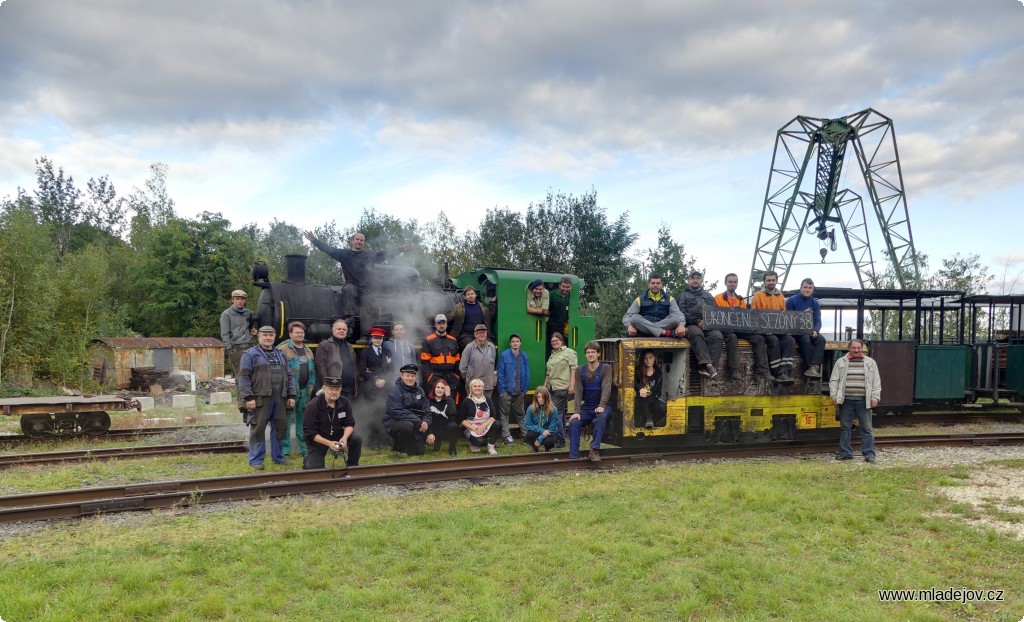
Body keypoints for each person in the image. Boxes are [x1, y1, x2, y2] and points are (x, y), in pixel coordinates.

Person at [303, 230, 410, 338]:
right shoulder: (344, 254)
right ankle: (350, 319)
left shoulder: (369, 255)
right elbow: (329, 250)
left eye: (361, 240)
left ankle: (365, 335)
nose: (359, 242)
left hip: (366, 287)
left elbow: (386, 254)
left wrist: (401, 249)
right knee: (348, 289)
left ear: (364, 243)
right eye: (357, 239)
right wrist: (315, 241)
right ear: (352, 241)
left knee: (367, 305)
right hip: (351, 284)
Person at [239, 326, 297, 469]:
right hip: (260, 398)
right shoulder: (250, 354)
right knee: (258, 429)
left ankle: (278, 457)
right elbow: (243, 378)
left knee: (280, 428)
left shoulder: (281, 354)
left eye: (271, 335)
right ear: (259, 337)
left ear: (274, 337)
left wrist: (291, 394)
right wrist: (248, 398)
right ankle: (256, 460)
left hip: (280, 398)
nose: (268, 338)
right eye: (265, 335)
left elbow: (290, 376)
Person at [829, 339, 881, 463]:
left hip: (864, 401)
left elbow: (876, 382)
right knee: (845, 428)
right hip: (846, 400)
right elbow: (834, 380)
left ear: (862, 348)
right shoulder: (841, 362)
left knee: (867, 428)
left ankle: (869, 454)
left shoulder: (870, 363)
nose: (856, 350)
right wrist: (834, 395)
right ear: (849, 348)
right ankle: (846, 453)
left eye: (859, 348)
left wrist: (875, 397)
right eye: (854, 348)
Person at [715, 273, 770, 383]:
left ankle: (761, 370)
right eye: (730, 282)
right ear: (725, 283)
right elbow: (715, 316)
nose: (732, 284)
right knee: (732, 337)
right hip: (725, 329)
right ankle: (734, 370)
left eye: (735, 282)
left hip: (740, 328)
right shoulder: (718, 298)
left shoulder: (741, 300)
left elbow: (745, 319)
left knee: (759, 339)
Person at [302, 376, 362, 469]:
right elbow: (310, 432)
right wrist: (329, 443)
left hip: (337, 434)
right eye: (331, 389)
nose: (334, 392)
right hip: (318, 438)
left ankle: (352, 466)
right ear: (324, 389)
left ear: (340, 390)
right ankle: (307, 460)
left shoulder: (345, 402)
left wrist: (344, 438)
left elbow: (349, 424)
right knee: (317, 471)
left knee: (356, 439)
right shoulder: (313, 405)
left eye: (337, 389)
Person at [277, 321, 316, 458]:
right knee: (286, 422)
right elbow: (279, 373)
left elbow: (312, 372)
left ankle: (304, 449)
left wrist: (310, 388)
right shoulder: (282, 350)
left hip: (305, 392)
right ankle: (285, 450)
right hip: (290, 393)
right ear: (290, 334)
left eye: (301, 332)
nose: (300, 335)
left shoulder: (308, 350)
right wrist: (287, 392)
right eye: (297, 332)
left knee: (303, 422)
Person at [568, 341, 612, 462]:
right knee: (574, 422)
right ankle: (573, 455)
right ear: (585, 355)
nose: (590, 354)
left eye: (593, 352)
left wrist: (602, 405)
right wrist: (577, 411)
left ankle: (594, 450)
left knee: (600, 419)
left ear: (598, 354)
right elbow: (578, 391)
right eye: (588, 352)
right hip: (587, 406)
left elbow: (606, 388)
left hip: (603, 405)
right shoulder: (579, 370)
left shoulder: (606, 369)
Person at [751, 270, 796, 385]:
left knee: (790, 340)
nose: (770, 282)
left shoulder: (780, 296)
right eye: (768, 280)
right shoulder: (758, 295)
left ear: (776, 281)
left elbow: (783, 315)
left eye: (773, 280)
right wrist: (765, 330)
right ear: (764, 282)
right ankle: (776, 373)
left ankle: (784, 372)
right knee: (774, 340)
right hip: (763, 333)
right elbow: (753, 316)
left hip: (778, 331)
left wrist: (786, 330)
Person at [676, 271, 723, 378]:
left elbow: (715, 311)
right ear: (688, 280)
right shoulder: (682, 296)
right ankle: (708, 365)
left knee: (718, 336)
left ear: (701, 280)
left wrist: (707, 320)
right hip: (691, 325)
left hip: (708, 325)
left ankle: (708, 368)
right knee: (697, 334)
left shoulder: (708, 296)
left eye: (698, 278)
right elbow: (681, 313)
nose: (695, 280)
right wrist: (697, 321)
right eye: (693, 278)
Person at [383, 363, 431, 457]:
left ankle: (407, 444)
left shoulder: (420, 391)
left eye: (412, 376)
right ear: (402, 376)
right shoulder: (395, 391)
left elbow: (427, 410)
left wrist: (426, 422)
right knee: (407, 426)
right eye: (407, 375)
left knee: (419, 452)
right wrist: (418, 421)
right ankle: (401, 450)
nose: (410, 378)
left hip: (416, 423)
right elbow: (397, 412)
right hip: (395, 422)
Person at [623, 274, 686, 338]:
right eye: (653, 283)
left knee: (675, 318)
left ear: (662, 285)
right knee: (634, 318)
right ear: (649, 284)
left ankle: (649, 332)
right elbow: (628, 315)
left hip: (656, 326)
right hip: (646, 323)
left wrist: (681, 325)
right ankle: (664, 332)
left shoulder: (670, 299)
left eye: (658, 283)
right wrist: (629, 326)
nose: (655, 285)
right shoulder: (640, 299)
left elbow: (678, 314)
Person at [786, 278, 826, 378]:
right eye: (805, 287)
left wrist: (816, 330)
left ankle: (814, 367)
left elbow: (817, 320)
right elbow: (787, 319)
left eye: (810, 288)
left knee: (821, 340)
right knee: (805, 339)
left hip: (810, 330)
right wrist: (802, 315)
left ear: (813, 290)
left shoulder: (815, 303)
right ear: (800, 288)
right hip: (796, 332)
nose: (807, 290)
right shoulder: (791, 300)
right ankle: (810, 366)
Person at [496, 334, 530, 446]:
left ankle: (526, 436)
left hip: (519, 392)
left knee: (521, 414)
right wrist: (501, 391)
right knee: (504, 415)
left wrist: (525, 389)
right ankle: (507, 437)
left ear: (520, 343)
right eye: (513, 341)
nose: (515, 343)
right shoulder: (504, 355)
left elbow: (527, 373)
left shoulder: (524, 356)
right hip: (506, 392)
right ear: (510, 343)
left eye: (517, 341)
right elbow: (500, 373)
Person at [545, 332, 577, 448]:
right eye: (552, 341)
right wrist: (544, 388)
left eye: (556, 340)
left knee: (553, 412)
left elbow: (574, 369)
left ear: (561, 341)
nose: (554, 342)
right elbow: (548, 374)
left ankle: (560, 439)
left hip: (563, 387)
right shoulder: (553, 355)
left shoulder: (569, 352)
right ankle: (561, 439)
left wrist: (572, 386)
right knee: (560, 414)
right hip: (552, 387)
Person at [314, 319, 359, 397]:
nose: (342, 331)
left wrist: (355, 386)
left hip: (348, 389)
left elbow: (354, 367)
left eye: (344, 329)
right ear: (333, 330)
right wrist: (327, 385)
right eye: (339, 329)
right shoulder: (324, 345)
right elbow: (320, 367)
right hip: (333, 389)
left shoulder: (349, 346)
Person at [421, 313, 462, 397]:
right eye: (439, 323)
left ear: (446, 324)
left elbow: (458, 361)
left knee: (452, 402)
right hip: (435, 377)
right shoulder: (428, 340)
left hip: (451, 377)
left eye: (443, 323)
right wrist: (429, 378)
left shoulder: (453, 340)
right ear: (435, 325)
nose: (441, 325)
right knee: (435, 402)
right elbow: (425, 363)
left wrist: (457, 376)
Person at [457, 378, 500, 454]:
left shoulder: (488, 400)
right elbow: (461, 420)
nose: (477, 388)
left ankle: (490, 446)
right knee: (479, 441)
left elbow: (493, 416)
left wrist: (483, 426)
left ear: (482, 388)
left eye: (479, 386)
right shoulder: (466, 401)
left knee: (498, 424)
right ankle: (476, 443)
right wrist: (474, 428)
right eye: (475, 386)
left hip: (485, 426)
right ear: (471, 388)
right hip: (472, 427)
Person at [219, 289, 256, 378]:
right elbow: (225, 334)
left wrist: (253, 331)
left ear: (245, 300)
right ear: (233, 300)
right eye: (237, 298)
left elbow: (250, 328)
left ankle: (250, 392)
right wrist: (230, 350)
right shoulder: (226, 314)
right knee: (240, 375)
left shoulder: (248, 313)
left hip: (249, 346)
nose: (240, 301)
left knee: (252, 374)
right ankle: (240, 392)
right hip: (236, 348)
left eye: (242, 299)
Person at [460, 324, 497, 401]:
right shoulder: (469, 347)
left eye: (484, 332)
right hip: (473, 387)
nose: (482, 334)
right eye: (479, 333)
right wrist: (469, 381)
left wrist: (493, 379)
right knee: (473, 410)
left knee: (486, 409)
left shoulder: (492, 347)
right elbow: (462, 368)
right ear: (475, 334)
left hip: (488, 386)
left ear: (486, 333)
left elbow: (493, 364)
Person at [426, 378, 460, 456]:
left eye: (442, 388)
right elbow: (426, 417)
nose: (440, 390)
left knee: (453, 426)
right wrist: (430, 433)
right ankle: (436, 442)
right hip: (433, 429)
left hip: (445, 429)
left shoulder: (449, 400)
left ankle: (452, 448)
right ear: (434, 388)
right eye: (438, 387)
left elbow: (453, 413)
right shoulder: (428, 401)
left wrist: (448, 397)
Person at [359, 327, 392, 402]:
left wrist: (384, 380)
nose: (378, 340)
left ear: (383, 339)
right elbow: (362, 370)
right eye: (375, 338)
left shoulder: (387, 352)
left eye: (380, 338)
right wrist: (375, 379)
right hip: (371, 386)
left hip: (385, 386)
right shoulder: (365, 352)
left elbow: (391, 369)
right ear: (371, 339)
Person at [523, 385, 559, 452]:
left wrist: (540, 438)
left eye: (543, 397)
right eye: (539, 397)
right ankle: (535, 448)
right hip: (537, 432)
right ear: (536, 397)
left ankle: (547, 449)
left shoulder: (553, 409)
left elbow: (553, 428)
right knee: (529, 436)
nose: (541, 399)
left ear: (547, 397)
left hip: (548, 433)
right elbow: (528, 425)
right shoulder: (530, 408)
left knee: (550, 441)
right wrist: (542, 430)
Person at [635, 350, 665, 429]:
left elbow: (658, 392)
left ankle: (651, 422)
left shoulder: (658, 373)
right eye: (645, 358)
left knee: (663, 408)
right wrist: (640, 388)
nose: (648, 360)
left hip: (652, 398)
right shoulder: (638, 370)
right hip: (639, 398)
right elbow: (632, 382)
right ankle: (648, 419)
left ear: (654, 358)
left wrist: (650, 395)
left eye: (650, 358)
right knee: (642, 396)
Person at [547, 277, 573, 351]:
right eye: (563, 286)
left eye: (567, 287)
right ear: (559, 286)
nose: (565, 289)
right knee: (554, 345)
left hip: (565, 326)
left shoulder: (571, 296)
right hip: (553, 325)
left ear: (571, 287)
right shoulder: (552, 295)